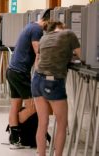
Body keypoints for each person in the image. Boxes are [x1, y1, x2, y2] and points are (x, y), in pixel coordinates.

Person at [32, 21, 80, 156]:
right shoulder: (69, 34)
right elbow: (83, 56)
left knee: (43, 123)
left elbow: (38, 61)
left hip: (37, 80)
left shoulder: (43, 38)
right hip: (53, 81)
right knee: (61, 124)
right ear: (62, 27)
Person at [6, 8, 51, 149]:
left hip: (12, 70)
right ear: (48, 20)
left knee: (16, 105)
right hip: (20, 72)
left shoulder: (30, 25)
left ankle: (15, 136)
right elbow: (39, 51)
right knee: (34, 106)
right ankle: (13, 128)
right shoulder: (37, 30)